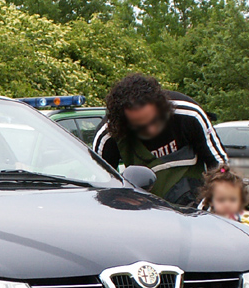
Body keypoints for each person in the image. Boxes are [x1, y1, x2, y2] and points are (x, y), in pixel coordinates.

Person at [92, 73, 229, 205]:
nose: (151, 130)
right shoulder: (108, 135)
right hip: (145, 211)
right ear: (124, 123)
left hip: (195, 207)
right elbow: (99, 187)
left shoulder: (189, 115)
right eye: (140, 126)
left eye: (155, 120)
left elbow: (220, 165)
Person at [196, 167, 249, 234]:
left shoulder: (246, 224)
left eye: (233, 200)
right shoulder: (206, 223)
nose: (227, 204)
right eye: (221, 200)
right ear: (211, 201)